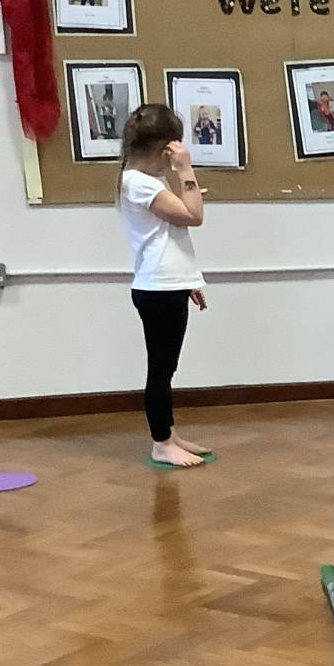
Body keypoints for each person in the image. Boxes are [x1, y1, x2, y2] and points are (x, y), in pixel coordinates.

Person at [117, 103, 211, 469]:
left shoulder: (148, 180)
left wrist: (188, 282)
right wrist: (186, 170)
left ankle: (168, 434)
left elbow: (170, 234)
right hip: (158, 288)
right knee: (160, 369)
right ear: (163, 149)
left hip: (168, 285)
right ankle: (161, 443)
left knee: (165, 368)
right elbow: (193, 215)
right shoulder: (138, 182)